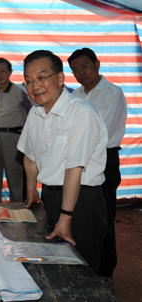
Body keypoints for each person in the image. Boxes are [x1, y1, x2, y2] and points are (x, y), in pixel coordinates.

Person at [17, 50, 108, 276]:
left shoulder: (81, 112)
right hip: (52, 197)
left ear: (60, 78)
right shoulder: (36, 114)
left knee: (85, 271)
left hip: (82, 202)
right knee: (58, 269)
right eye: (28, 81)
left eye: (41, 77)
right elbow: (29, 156)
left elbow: (74, 170)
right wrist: (31, 190)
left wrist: (66, 217)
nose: (35, 85)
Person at [68, 47, 127, 286]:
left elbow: (102, 134)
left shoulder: (113, 93)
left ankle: (105, 269)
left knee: (104, 218)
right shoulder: (76, 96)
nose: (81, 73)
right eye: (75, 70)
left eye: (85, 66)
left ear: (97, 64)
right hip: (77, 161)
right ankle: (83, 263)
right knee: (80, 215)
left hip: (104, 160)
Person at [0, 58, 31, 203]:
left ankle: (17, 215)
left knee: (15, 180)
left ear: (10, 72)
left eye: (2, 71)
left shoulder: (19, 92)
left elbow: (30, 119)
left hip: (13, 139)